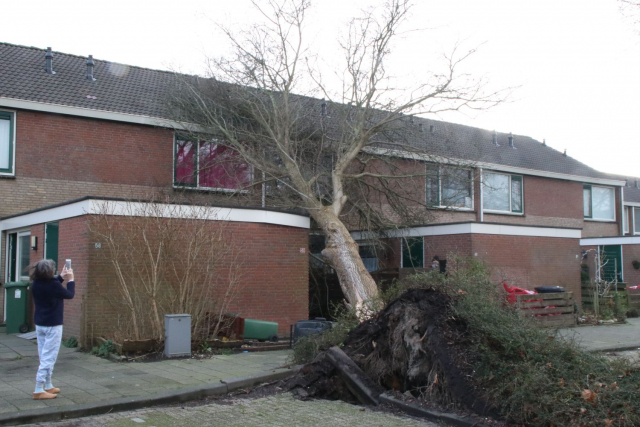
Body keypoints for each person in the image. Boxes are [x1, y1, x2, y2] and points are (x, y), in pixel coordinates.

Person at [30, 259, 75, 400]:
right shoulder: (54, 285)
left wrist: (61, 276)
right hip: (53, 325)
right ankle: (38, 389)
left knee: (44, 355)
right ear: (49, 271)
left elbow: (51, 286)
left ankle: (48, 384)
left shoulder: (35, 284)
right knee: (49, 357)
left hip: (40, 323)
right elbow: (69, 294)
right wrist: (71, 279)